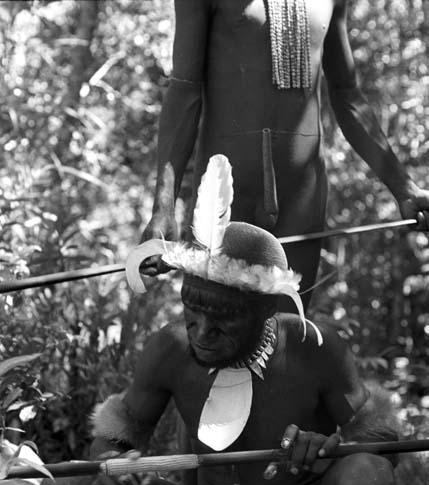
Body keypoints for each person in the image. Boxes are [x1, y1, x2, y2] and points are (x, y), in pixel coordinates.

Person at [46, 156, 399, 485]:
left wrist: (330, 450)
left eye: (224, 318)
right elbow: (123, 423)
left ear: (266, 310)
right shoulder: (170, 348)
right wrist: (114, 463)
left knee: (369, 478)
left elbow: (378, 435)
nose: (202, 331)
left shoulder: (313, 346)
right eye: (192, 308)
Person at [142, 0, 429, 309]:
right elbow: (184, 91)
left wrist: (404, 189)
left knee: (287, 335)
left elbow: (348, 96)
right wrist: (164, 207)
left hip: (302, 202)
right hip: (222, 198)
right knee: (217, 334)